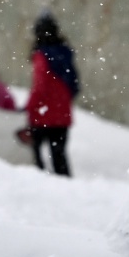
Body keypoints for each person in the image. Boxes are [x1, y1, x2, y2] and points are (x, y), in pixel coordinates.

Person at [25, 12, 79, 176]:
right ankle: (67, 187)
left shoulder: (41, 56)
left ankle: (39, 184)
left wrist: (29, 107)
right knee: (59, 157)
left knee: (34, 156)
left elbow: (40, 87)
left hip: (42, 115)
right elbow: (75, 85)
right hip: (62, 115)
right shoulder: (65, 53)